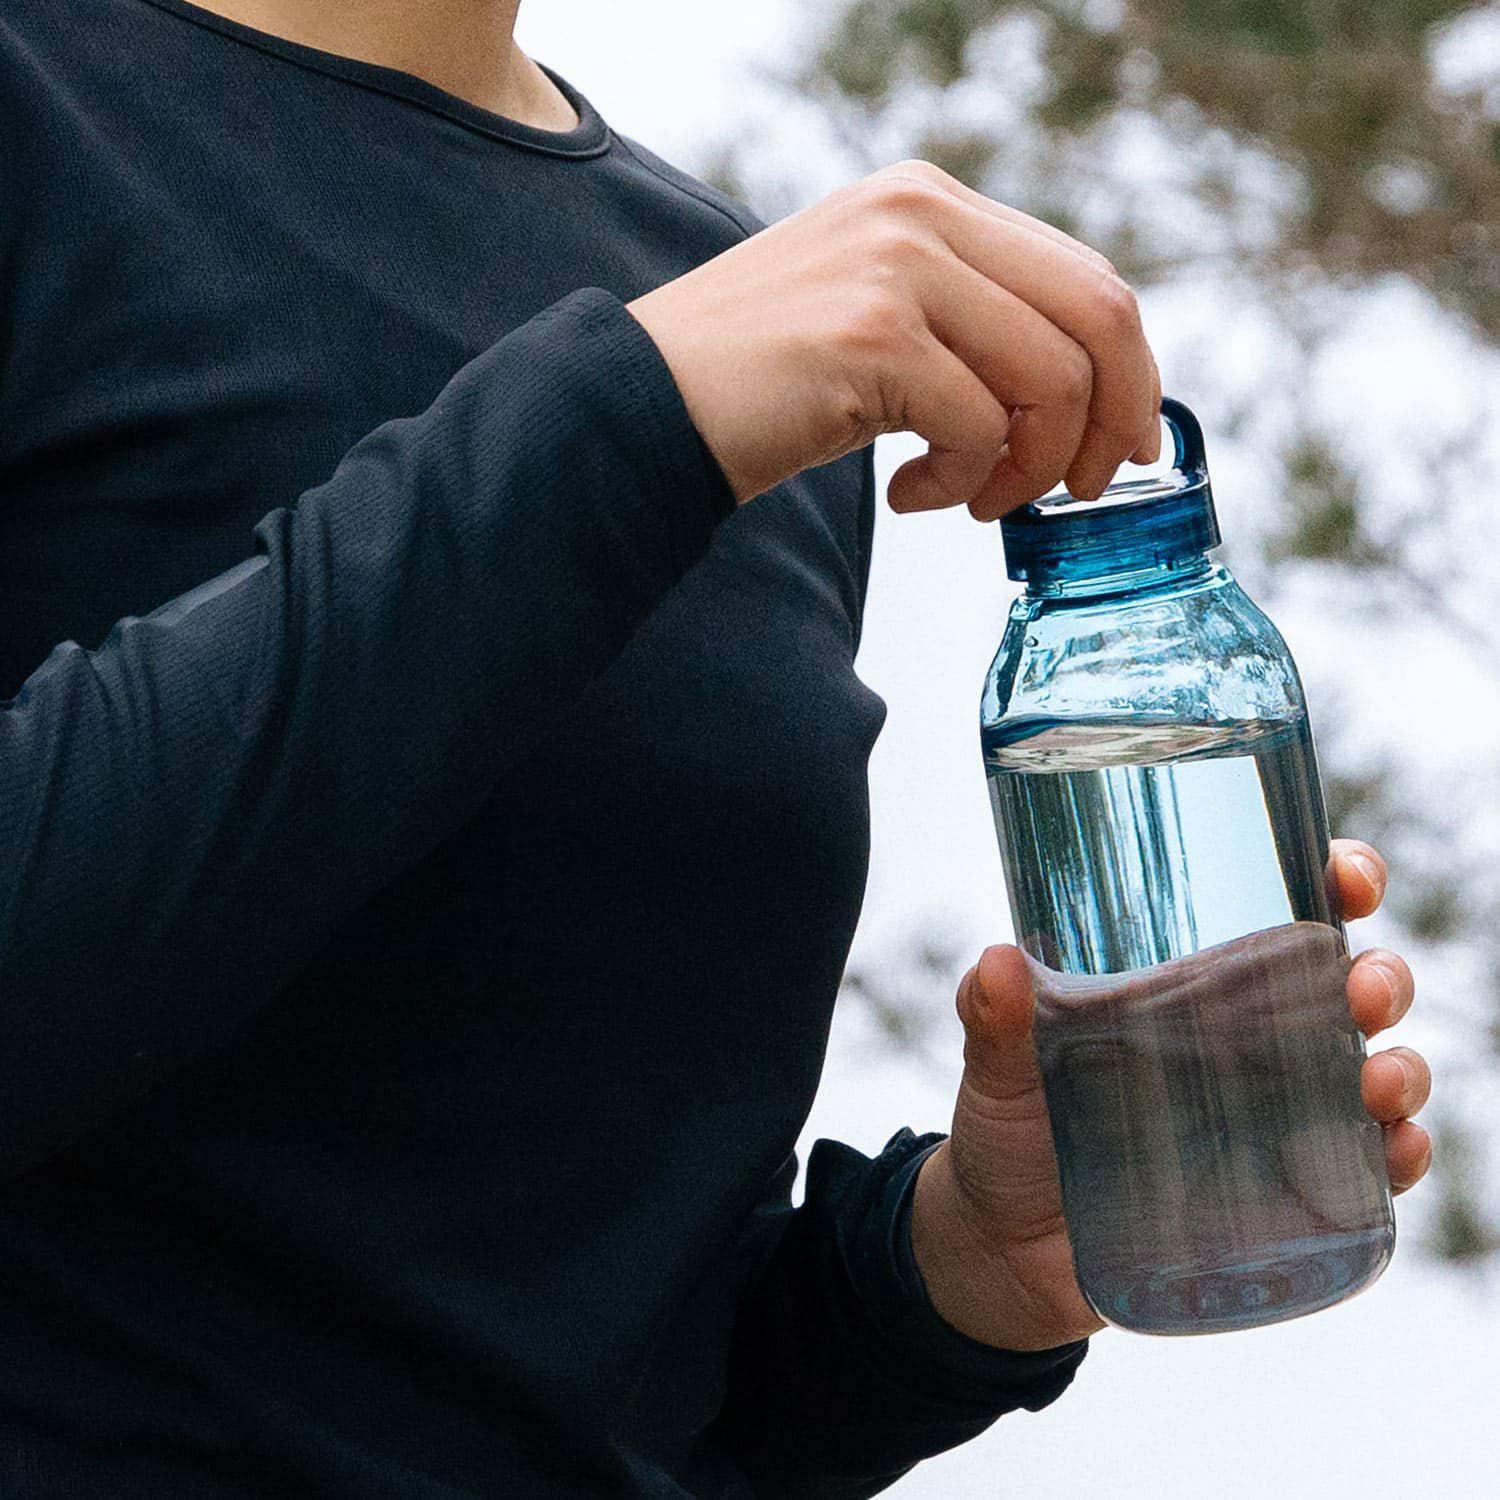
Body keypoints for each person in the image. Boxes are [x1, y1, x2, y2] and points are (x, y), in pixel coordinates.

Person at [0, 1, 1433, 1495]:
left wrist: (953, 1272)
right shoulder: (50, 110)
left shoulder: (725, 295)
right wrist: (640, 412)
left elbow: (617, 1372)